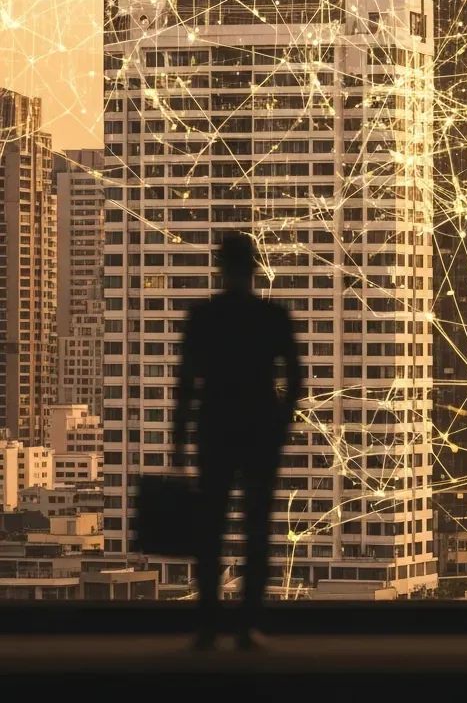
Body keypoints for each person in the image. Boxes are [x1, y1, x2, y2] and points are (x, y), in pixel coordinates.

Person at [173, 231, 302, 650]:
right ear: (254, 267)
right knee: (256, 529)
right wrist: (280, 425)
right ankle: (247, 625)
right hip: (259, 433)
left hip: (215, 431)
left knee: (209, 531)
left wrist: (178, 442)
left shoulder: (204, 317)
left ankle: (209, 625)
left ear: (221, 267)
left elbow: (186, 384)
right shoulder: (272, 317)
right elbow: (295, 378)